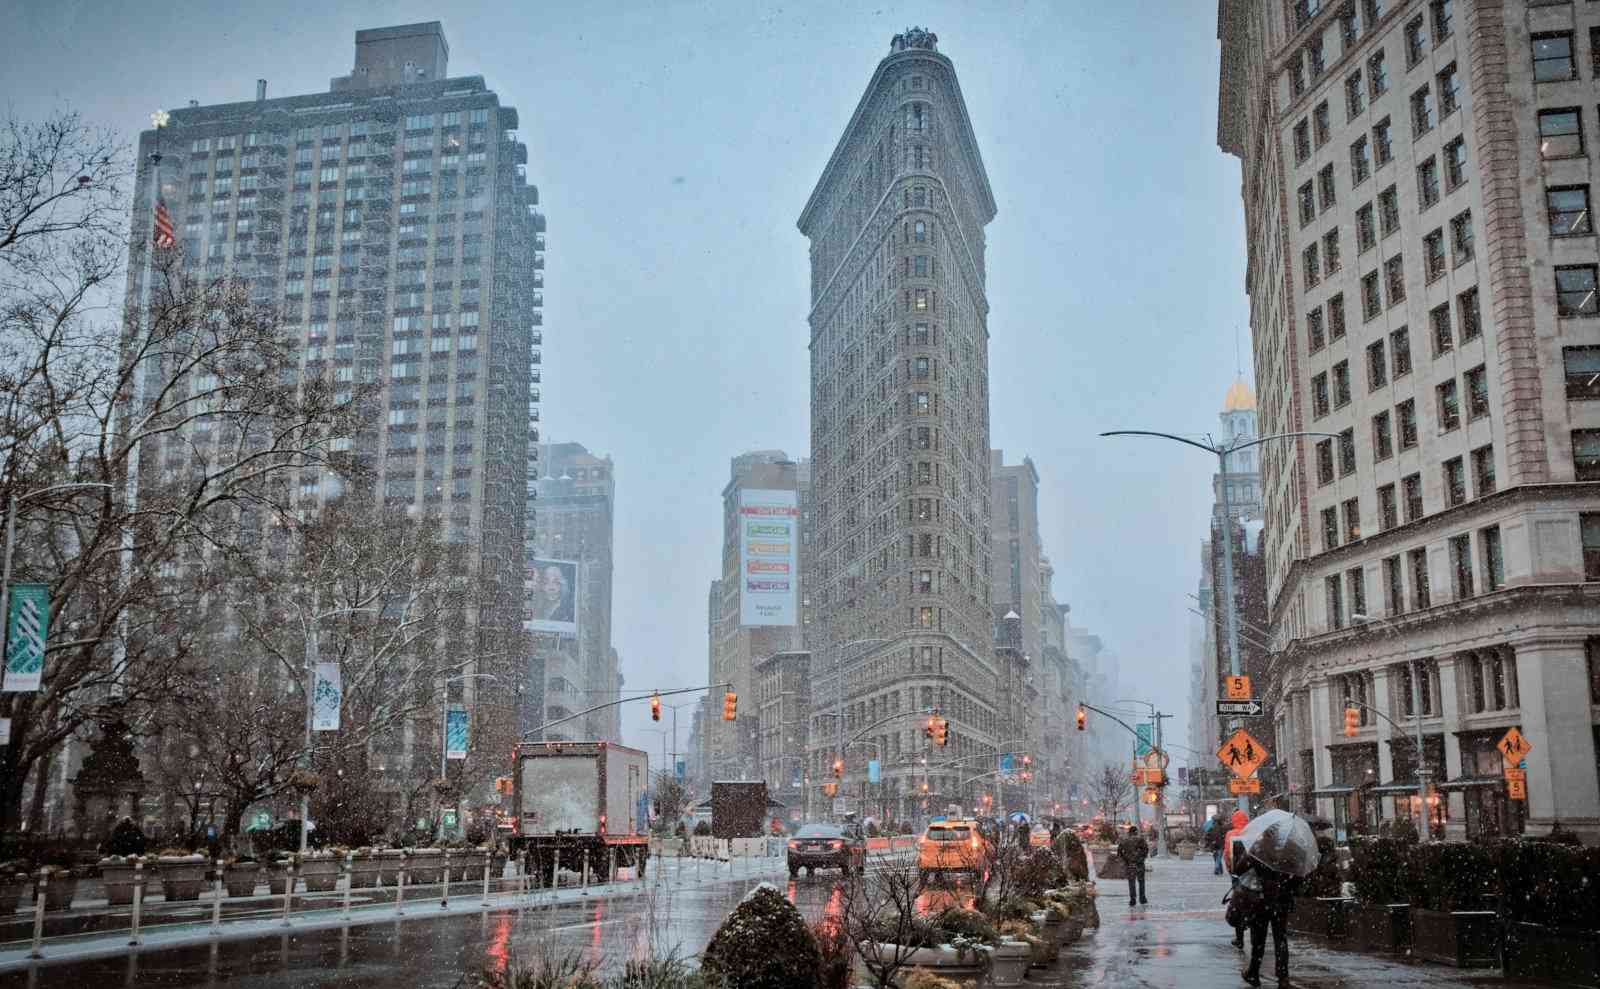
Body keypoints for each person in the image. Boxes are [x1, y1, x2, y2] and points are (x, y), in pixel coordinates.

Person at [1231, 847, 1302, 987]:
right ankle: (1283, 978)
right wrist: (1286, 887)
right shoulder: (1290, 850)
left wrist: (1248, 855)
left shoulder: (1259, 849)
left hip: (1260, 899)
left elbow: (1238, 870)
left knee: (1258, 938)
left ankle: (1254, 972)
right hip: (1281, 900)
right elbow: (1298, 877)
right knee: (1280, 938)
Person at [1222, 809, 1251, 947]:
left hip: (1237, 873)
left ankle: (1239, 937)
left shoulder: (1230, 834)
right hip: (1252, 873)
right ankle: (1252, 925)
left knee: (1238, 904)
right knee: (1252, 902)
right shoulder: (1253, 832)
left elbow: (1227, 854)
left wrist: (1231, 869)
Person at [1116, 823, 1149, 907]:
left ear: (1129, 832)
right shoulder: (1140, 839)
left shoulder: (1124, 840)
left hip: (1129, 864)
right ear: (1136, 832)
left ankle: (1132, 899)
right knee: (1141, 881)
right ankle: (1142, 898)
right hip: (1139, 864)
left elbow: (1119, 852)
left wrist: (1125, 860)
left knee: (1131, 882)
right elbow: (1145, 850)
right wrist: (1141, 858)